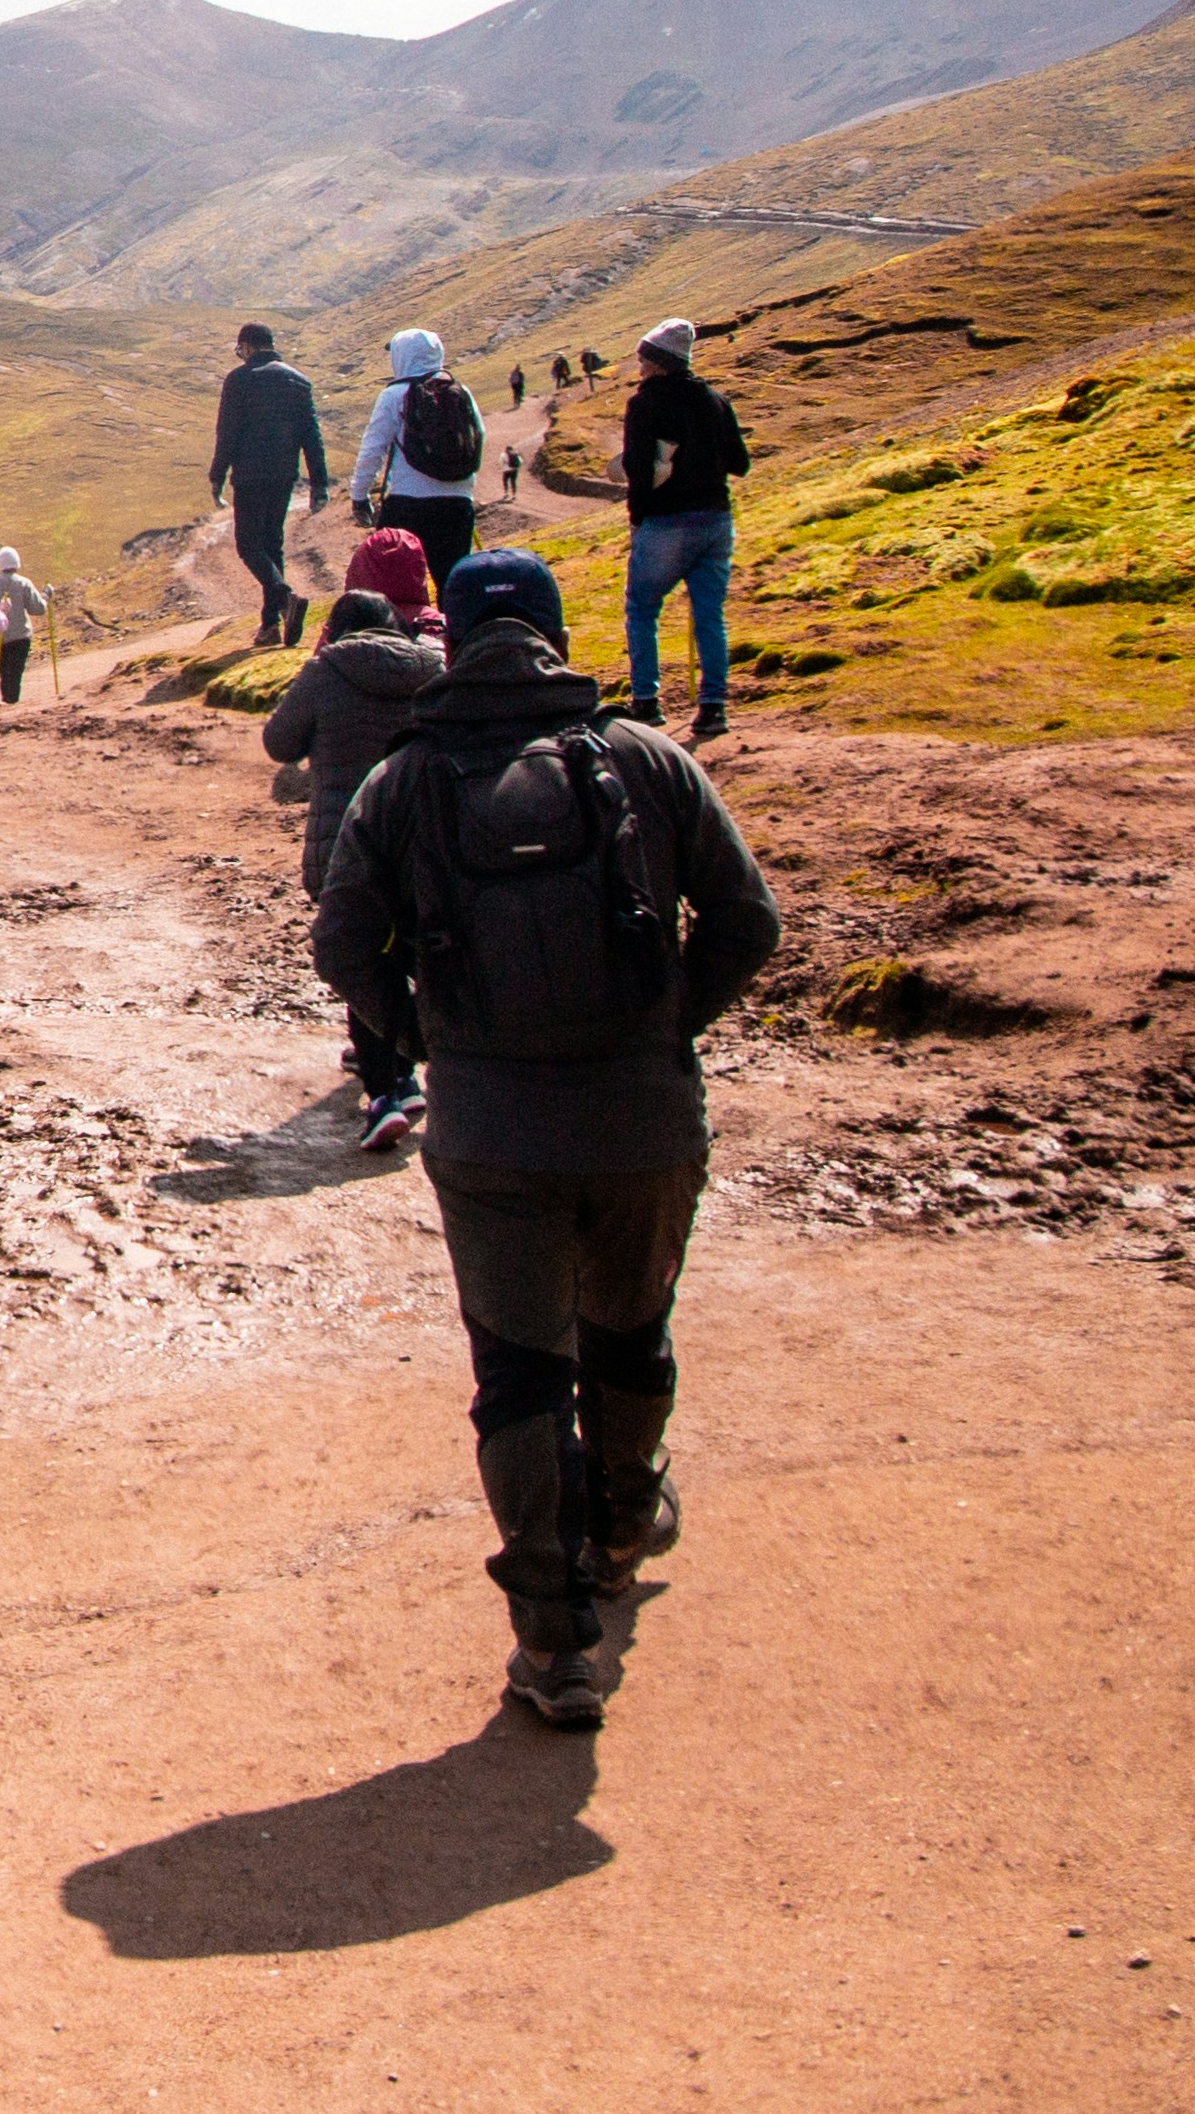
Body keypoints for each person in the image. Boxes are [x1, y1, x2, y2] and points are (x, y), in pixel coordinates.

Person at [313, 549, 779, 1731]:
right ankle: (621, 1528)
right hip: (644, 1119)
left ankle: (552, 1642)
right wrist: (669, 1022)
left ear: (457, 641)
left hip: (488, 1128)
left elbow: (339, 942)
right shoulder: (647, 761)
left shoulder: (406, 780)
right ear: (558, 634)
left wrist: (424, 1037)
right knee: (631, 1333)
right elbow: (747, 920)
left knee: (519, 1369)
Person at [261, 583, 443, 1149]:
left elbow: (279, 742)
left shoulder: (327, 671)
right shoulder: (436, 666)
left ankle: (388, 1087)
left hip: (345, 842)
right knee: (416, 950)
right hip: (430, 843)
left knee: (364, 957)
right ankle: (412, 1070)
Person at [618, 317, 754, 739]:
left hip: (666, 521)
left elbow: (639, 472)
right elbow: (741, 464)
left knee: (642, 609)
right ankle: (713, 707)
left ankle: (647, 701)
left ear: (658, 362)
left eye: (644, 358)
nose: (639, 365)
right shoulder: (716, 400)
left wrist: (638, 521)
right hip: (716, 518)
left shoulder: (644, 404)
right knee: (709, 614)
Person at [208, 323, 335, 648]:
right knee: (271, 543)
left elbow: (227, 433)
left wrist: (217, 475)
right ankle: (270, 626)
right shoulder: (297, 380)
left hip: (250, 475)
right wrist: (319, 483)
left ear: (247, 347)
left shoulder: (239, 380)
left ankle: (285, 599)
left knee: (248, 545)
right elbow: (312, 437)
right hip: (283, 475)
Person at [349, 328, 487, 583]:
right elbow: (478, 435)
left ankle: (410, 623)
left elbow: (372, 450)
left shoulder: (393, 395)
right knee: (452, 582)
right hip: (458, 503)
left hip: (408, 504)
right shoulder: (461, 392)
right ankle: (453, 623)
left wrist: (359, 495)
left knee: (395, 585)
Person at [0, 546, 49, 708]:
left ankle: (7, 701)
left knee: (4, 673)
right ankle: (11, 703)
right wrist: (46, 596)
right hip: (20, 637)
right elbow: (38, 608)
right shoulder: (23, 583)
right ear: (17, 562)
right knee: (15, 673)